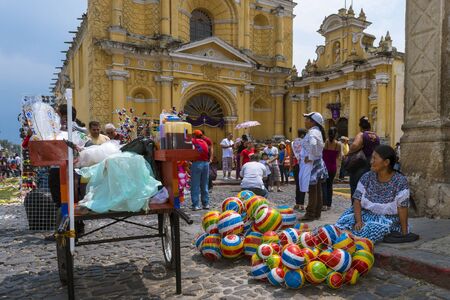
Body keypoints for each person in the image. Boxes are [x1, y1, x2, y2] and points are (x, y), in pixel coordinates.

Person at [335, 145, 414, 243]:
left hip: (386, 218)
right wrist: (359, 221)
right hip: (364, 213)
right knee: (344, 222)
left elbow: (402, 207)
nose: (371, 161)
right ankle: (338, 238)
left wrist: (404, 232)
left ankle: (346, 241)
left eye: (374, 158)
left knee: (369, 230)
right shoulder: (367, 176)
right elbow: (357, 200)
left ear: (386, 162)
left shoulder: (400, 181)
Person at [299, 112, 328, 221]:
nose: (305, 121)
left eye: (307, 119)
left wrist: (310, 156)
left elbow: (313, 143)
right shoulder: (317, 131)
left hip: (312, 164)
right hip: (316, 162)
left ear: (312, 121)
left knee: (312, 189)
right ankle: (317, 212)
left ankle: (310, 213)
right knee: (317, 189)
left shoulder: (313, 132)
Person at [348, 116, 380, 199]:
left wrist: (349, 152)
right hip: (373, 163)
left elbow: (354, 145)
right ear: (370, 126)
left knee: (356, 186)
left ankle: (355, 208)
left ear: (360, 126)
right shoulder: (376, 136)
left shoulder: (362, 134)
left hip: (361, 163)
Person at [190, 130, 211, 210]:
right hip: (206, 164)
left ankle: (195, 205)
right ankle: (205, 204)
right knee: (204, 185)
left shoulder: (193, 141)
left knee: (195, 185)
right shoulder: (205, 142)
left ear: (194, 135)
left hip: (197, 164)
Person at [322, 127, 342, 211]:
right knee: (330, 185)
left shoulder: (326, 143)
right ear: (336, 134)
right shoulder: (338, 144)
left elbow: (322, 155)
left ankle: (324, 204)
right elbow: (338, 157)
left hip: (325, 166)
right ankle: (329, 204)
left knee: (324, 185)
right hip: (332, 166)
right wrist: (338, 168)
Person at [291, 128, 308, 211]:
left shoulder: (293, 143)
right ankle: (301, 203)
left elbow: (291, 155)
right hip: (303, 165)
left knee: (298, 185)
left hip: (296, 165)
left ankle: (297, 203)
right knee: (303, 185)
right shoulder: (305, 142)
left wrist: (291, 165)